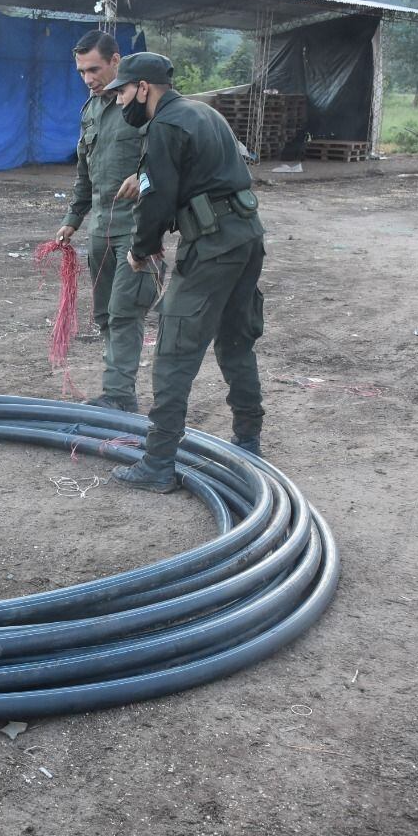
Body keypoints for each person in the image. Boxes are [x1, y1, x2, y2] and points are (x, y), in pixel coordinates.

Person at [105, 53, 267, 493]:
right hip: (246, 235)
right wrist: (143, 176)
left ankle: (157, 463)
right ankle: (248, 439)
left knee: (175, 347)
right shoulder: (202, 112)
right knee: (236, 340)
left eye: (122, 91)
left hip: (212, 245)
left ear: (144, 88)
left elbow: (159, 201)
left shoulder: (165, 125)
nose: (120, 101)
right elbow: (194, 169)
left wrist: (142, 250)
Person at [56, 30, 154, 414]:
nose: (88, 78)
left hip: (137, 226)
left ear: (116, 61)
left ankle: (118, 394)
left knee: (126, 310)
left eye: (94, 69)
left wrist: (144, 180)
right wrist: (72, 218)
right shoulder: (91, 110)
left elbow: (170, 164)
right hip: (101, 227)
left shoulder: (144, 105)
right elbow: (85, 172)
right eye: (81, 71)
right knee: (105, 313)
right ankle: (117, 391)